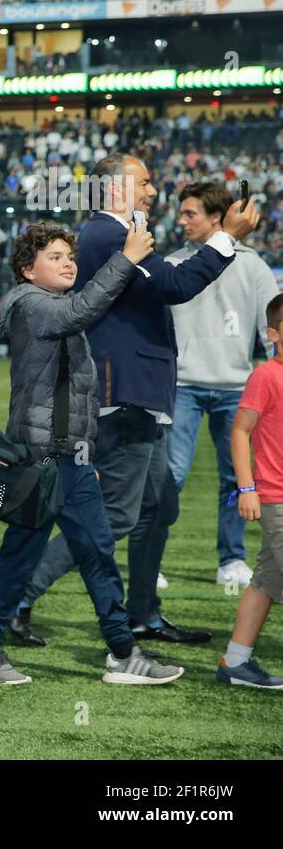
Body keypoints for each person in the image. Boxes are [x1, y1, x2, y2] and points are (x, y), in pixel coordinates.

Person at [13, 153, 259, 648]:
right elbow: (176, 286)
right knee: (120, 514)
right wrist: (226, 237)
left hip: (136, 391)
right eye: (144, 182)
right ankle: (17, 594)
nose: (152, 191)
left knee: (157, 508)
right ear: (112, 190)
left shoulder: (115, 236)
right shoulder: (108, 237)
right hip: (120, 392)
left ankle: (144, 612)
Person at [0, 221, 183, 685]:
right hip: (41, 456)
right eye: (54, 257)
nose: (67, 264)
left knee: (98, 551)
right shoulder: (30, 306)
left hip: (69, 457)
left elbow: (76, 395)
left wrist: (87, 452)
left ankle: (122, 653)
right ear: (27, 270)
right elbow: (81, 311)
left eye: (69, 256)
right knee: (23, 554)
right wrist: (126, 259)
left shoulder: (51, 305)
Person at [166, 182, 279, 587]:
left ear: (217, 217)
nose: (181, 221)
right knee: (171, 476)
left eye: (189, 213)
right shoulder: (172, 262)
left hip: (237, 388)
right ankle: (152, 560)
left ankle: (231, 560)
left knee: (237, 477)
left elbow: (273, 327)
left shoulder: (252, 265)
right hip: (181, 386)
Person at [220, 292, 283, 689]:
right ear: (273, 333)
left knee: (266, 582)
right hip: (277, 497)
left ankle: (236, 663)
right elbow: (240, 432)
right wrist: (247, 488)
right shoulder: (266, 376)